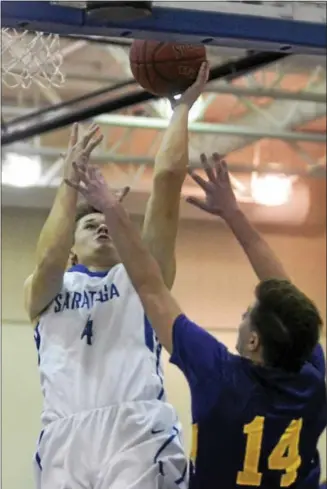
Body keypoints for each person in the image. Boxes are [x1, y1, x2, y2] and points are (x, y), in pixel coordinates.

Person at [67, 152, 326, 489]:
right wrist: (233, 215)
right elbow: (283, 293)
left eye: (248, 313)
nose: (242, 315)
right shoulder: (310, 377)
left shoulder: (220, 375)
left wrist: (112, 210)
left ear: (253, 341)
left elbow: (150, 286)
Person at [24, 62, 209, 489]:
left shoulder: (143, 279)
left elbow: (166, 186)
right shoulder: (47, 290)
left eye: (106, 223)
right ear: (72, 244)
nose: (102, 227)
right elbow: (49, 258)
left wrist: (181, 111)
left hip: (135, 428)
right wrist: (69, 183)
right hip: (64, 437)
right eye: (89, 227)